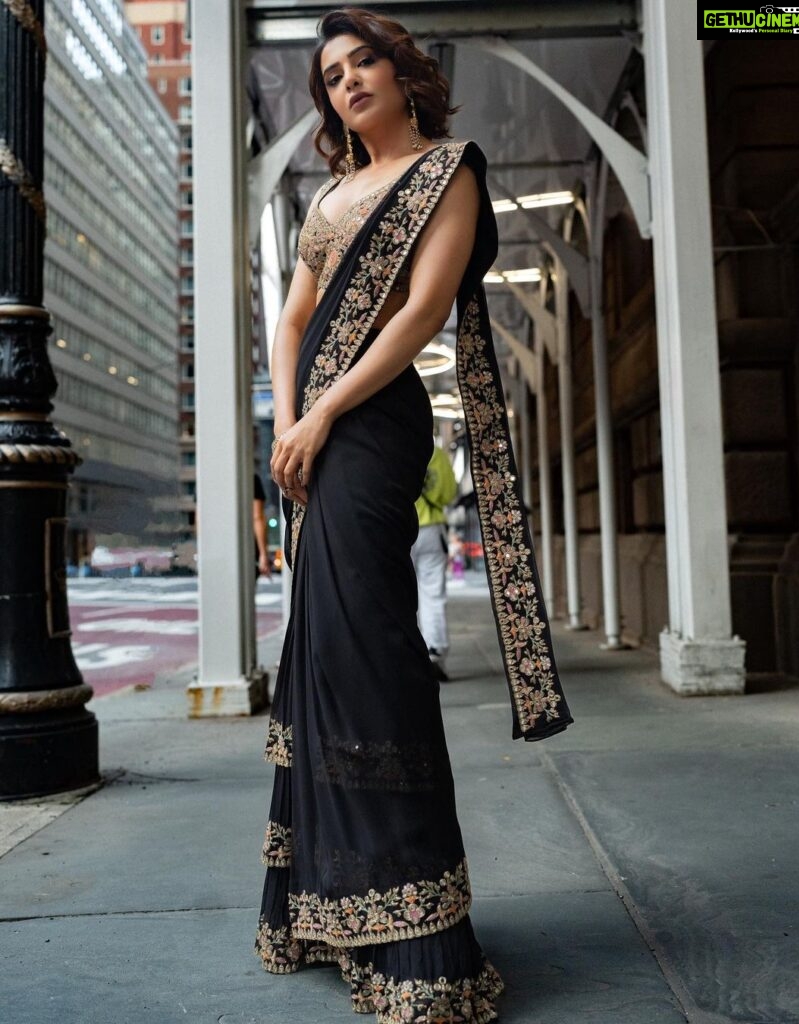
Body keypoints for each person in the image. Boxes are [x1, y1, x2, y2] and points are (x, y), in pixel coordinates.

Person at [259, 8, 574, 1021]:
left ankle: (416, 927)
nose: (348, 81)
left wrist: (323, 413)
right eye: (332, 74)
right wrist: (285, 417)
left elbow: (419, 316)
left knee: (373, 648)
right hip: (312, 432)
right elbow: (294, 318)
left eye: (364, 64)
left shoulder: (446, 171)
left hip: (374, 424)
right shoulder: (329, 192)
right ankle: (331, 903)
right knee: (319, 657)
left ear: (402, 75)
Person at [411, 443, 457, 682]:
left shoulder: (392, 444)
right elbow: (449, 492)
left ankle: (406, 656)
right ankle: (435, 651)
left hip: (399, 528)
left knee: (400, 595)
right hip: (432, 528)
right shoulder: (436, 454)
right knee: (433, 593)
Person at [252, 472, 272, 579]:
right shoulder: (250, 478)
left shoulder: (206, 476)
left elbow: (199, 519)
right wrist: (263, 554)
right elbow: (257, 517)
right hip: (248, 549)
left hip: (212, 552)